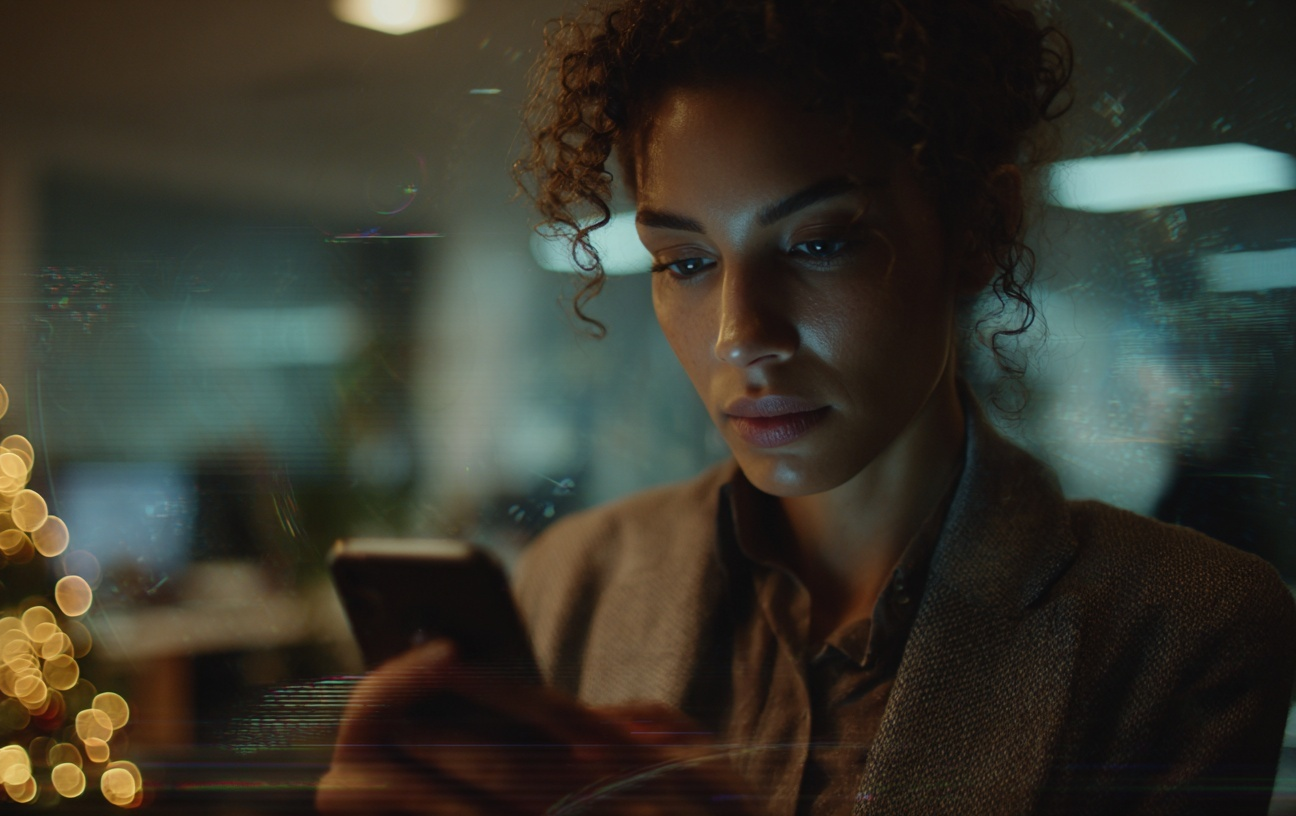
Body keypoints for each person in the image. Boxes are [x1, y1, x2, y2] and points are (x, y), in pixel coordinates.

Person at [316, 0, 1296, 813]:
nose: (741, 334)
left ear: (978, 228)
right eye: (685, 261)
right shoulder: (573, 583)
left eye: (819, 243)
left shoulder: (1184, 628)